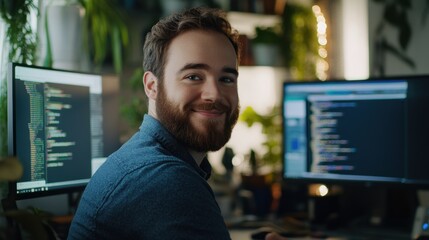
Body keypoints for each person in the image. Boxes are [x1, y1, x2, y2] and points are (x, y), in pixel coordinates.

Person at [68, 7, 288, 240]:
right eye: (193, 76)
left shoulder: (144, 158)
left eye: (226, 79)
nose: (214, 94)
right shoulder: (166, 181)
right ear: (152, 86)